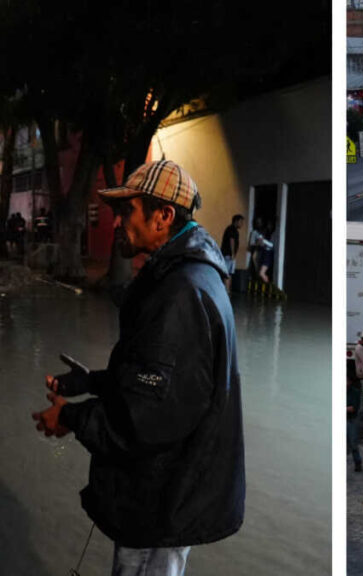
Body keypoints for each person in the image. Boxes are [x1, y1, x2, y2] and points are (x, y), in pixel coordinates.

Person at [30, 160, 243, 575]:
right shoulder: (186, 275)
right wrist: (90, 382)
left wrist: (70, 417)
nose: (116, 222)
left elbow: (149, 417)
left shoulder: (181, 292)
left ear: (163, 216)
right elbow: (159, 381)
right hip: (163, 491)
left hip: (162, 501)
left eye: (128, 211)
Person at [220, 214, 244, 291]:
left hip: (229, 255)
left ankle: (228, 290)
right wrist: (233, 254)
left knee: (229, 274)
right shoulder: (231, 229)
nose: (242, 224)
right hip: (228, 255)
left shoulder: (233, 230)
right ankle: (226, 291)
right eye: (241, 222)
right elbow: (232, 241)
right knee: (227, 273)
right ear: (236, 221)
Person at [347, 361, 363, 472]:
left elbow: (353, 408)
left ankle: (358, 462)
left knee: (353, 443)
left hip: (351, 420)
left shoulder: (355, 392)